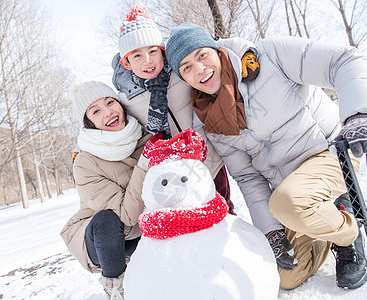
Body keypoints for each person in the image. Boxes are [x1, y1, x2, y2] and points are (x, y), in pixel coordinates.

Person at [165, 22, 367, 290]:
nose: (199, 70)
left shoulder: (270, 55)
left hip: (329, 154)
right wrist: (272, 232)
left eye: (202, 55)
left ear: (217, 49)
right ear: (183, 78)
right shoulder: (210, 119)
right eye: (186, 67)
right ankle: (328, 216)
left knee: (288, 202)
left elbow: (343, 60)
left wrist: (358, 113)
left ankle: (348, 235)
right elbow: (247, 177)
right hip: (289, 188)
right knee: (285, 276)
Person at [111, 4, 260, 214]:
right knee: (190, 223)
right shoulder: (126, 97)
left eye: (153, 51)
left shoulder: (181, 71)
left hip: (207, 159)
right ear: (126, 63)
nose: (148, 60)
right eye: (137, 55)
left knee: (224, 210)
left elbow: (215, 47)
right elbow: (108, 119)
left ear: (162, 50)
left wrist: (246, 52)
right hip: (171, 173)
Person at [60, 81, 151, 299]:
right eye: (96, 111)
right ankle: (116, 288)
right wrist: (146, 163)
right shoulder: (85, 162)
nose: (108, 112)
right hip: (104, 237)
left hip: (143, 227)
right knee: (106, 220)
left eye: (110, 102)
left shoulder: (144, 135)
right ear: (88, 122)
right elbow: (126, 216)